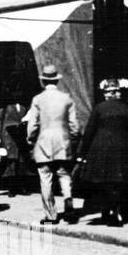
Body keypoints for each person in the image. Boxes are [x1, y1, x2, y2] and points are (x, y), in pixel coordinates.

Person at [77, 78, 128, 226]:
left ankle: (106, 211)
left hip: (100, 149)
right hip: (121, 149)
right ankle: (116, 212)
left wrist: (82, 153)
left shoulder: (99, 108)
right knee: (117, 182)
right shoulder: (127, 109)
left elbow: (89, 131)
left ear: (109, 93)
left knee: (103, 181)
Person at [25, 64, 80, 225]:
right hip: (63, 142)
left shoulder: (38, 99)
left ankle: (51, 216)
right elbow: (75, 126)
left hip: (44, 144)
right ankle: (68, 201)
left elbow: (33, 125)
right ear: (57, 81)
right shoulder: (67, 98)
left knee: (46, 178)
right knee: (64, 174)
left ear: (43, 81)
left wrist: (30, 139)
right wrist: (72, 139)